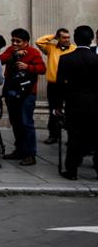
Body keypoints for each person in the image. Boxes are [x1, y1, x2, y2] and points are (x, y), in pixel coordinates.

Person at [55, 25, 98, 180]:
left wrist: (58, 106)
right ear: (91, 39)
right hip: (95, 104)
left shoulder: (66, 58)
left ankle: (72, 170)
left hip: (74, 104)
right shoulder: (96, 59)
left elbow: (60, 85)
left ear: (75, 39)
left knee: (74, 137)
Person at [0, 28, 46, 166]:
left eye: (18, 41)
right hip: (11, 91)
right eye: (13, 40)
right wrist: (14, 54)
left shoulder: (33, 52)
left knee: (26, 123)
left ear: (26, 42)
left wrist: (27, 67)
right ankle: (19, 150)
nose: (14, 43)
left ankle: (30, 154)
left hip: (27, 93)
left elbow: (42, 69)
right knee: (15, 122)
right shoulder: (10, 50)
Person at [35, 28, 75, 144]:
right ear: (58, 38)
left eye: (68, 37)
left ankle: (71, 137)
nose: (67, 40)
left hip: (69, 85)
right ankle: (53, 135)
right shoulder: (51, 48)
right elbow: (39, 41)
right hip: (54, 85)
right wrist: (53, 36)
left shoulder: (74, 49)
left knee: (71, 111)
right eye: (64, 37)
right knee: (54, 110)